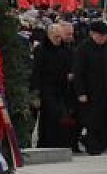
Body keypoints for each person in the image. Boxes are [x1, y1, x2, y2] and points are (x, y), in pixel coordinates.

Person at [71, 21, 107, 156]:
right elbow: (78, 72)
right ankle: (92, 144)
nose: (102, 39)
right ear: (92, 34)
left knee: (106, 118)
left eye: (105, 36)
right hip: (91, 90)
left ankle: (101, 143)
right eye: (100, 36)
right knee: (92, 120)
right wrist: (81, 92)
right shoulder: (83, 49)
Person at [31, 23, 75, 151]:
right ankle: (46, 143)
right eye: (56, 37)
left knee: (62, 117)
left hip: (62, 89)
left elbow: (69, 65)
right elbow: (37, 71)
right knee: (50, 117)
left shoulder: (64, 49)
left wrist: (70, 74)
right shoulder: (41, 49)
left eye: (60, 37)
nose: (58, 40)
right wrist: (36, 92)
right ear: (49, 35)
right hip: (47, 88)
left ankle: (60, 143)